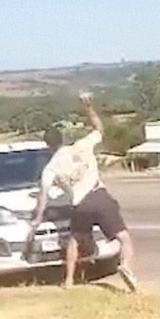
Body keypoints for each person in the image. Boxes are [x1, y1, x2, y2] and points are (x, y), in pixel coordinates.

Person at [31, 93, 139, 291]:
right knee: (123, 237)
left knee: (74, 240)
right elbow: (99, 128)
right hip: (99, 196)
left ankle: (69, 280)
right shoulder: (82, 146)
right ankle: (125, 265)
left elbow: (43, 196)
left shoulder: (51, 167)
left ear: (48, 145)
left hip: (79, 205)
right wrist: (88, 107)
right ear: (63, 139)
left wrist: (37, 218)